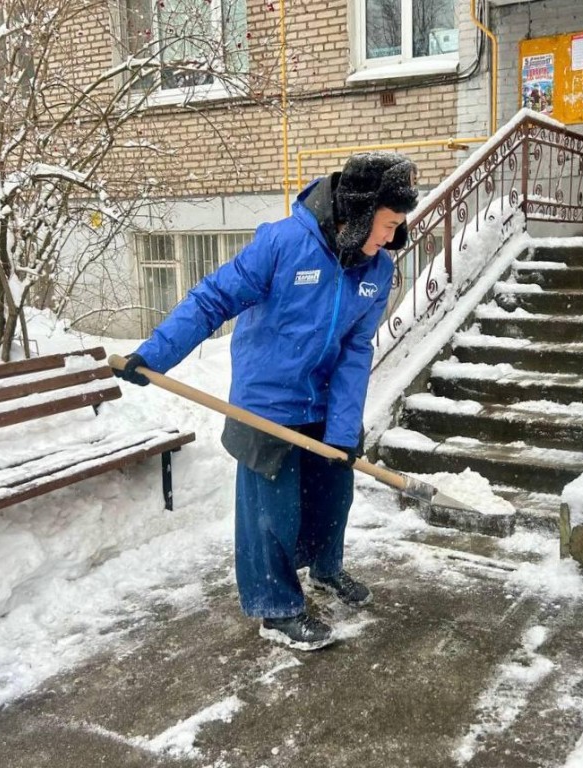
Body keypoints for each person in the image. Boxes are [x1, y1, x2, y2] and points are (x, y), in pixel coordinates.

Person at [114, 153, 419, 651]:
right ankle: (275, 608)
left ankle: (325, 569)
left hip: (326, 403)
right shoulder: (283, 244)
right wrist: (155, 354)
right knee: (271, 514)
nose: (390, 238)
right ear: (359, 215)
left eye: (397, 226)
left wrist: (343, 432)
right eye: (387, 225)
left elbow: (355, 350)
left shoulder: (377, 268)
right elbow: (214, 299)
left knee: (331, 498)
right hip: (268, 403)